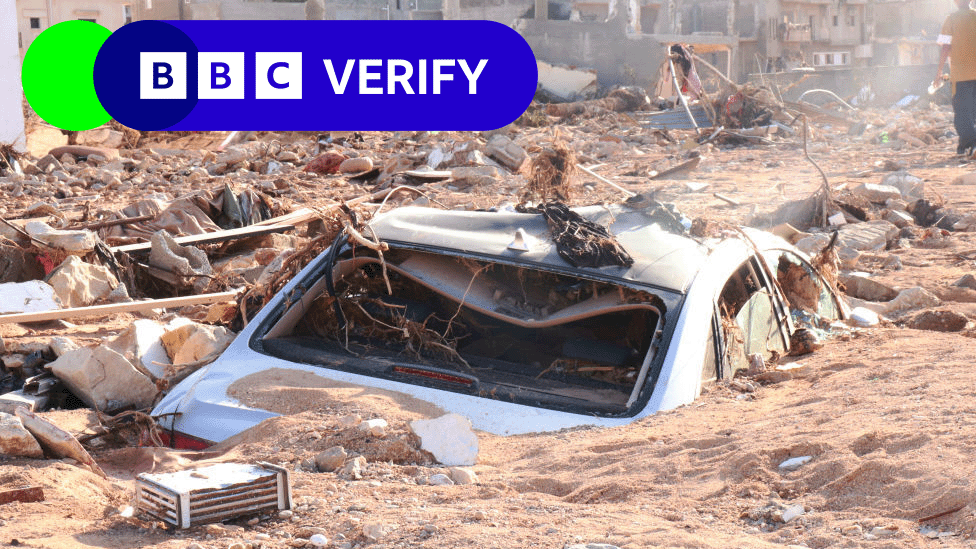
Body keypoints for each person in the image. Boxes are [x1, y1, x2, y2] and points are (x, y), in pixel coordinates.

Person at [936, 0, 976, 155]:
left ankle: (972, 143)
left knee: (962, 113)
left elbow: (945, 47)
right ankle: (964, 147)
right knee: (972, 111)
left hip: (961, 74)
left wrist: (939, 71)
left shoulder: (951, 19)